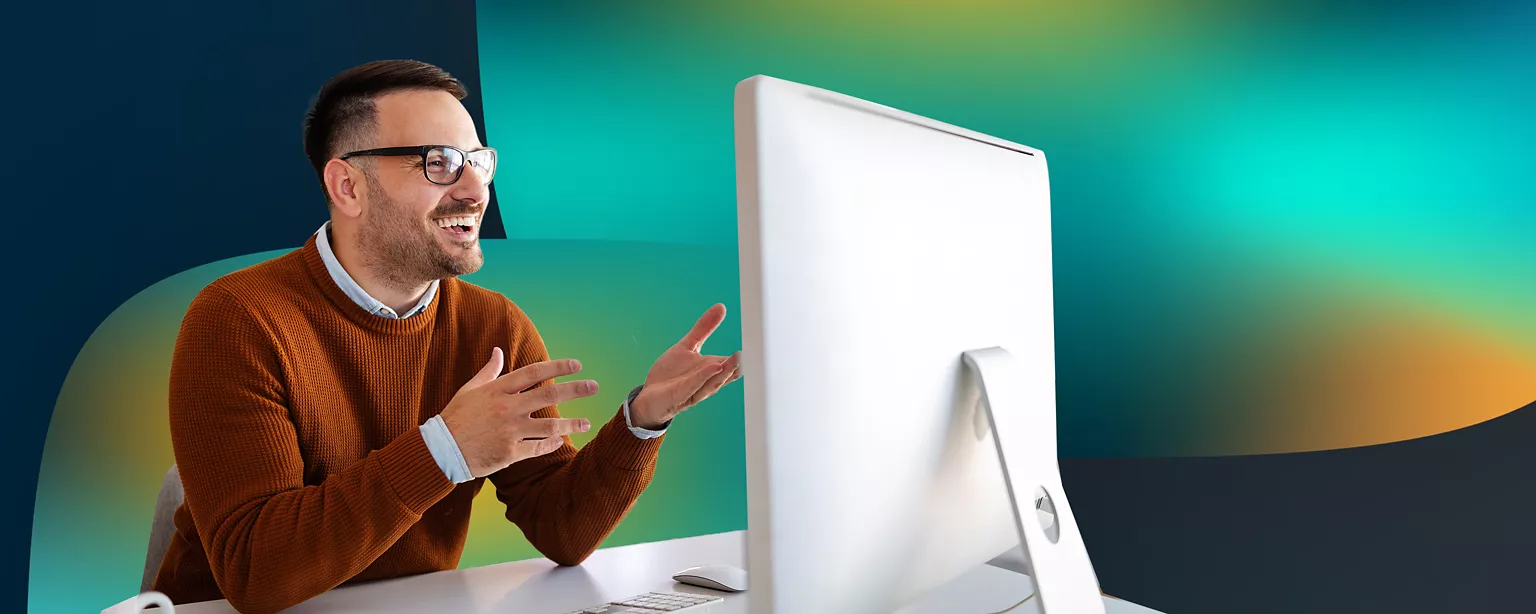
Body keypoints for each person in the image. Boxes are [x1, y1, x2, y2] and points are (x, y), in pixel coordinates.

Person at [151, 59, 741, 613]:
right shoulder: (237, 317)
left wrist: (644, 419)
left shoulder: (492, 326)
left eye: (479, 162)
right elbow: (257, 573)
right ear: (347, 186)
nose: (475, 191)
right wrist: (446, 451)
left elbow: (560, 528)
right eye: (439, 163)